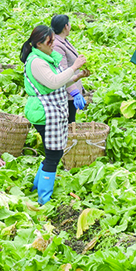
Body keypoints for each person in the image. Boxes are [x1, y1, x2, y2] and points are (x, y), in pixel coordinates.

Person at [21, 25, 90, 205]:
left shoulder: (46, 58)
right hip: (44, 112)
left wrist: (77, 75)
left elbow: (59, 81)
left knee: (53, 152)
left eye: (53, 40)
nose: (52, 44)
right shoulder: (36, 61)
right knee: (54, 153)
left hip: (52, 111)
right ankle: (44, 199)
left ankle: (36, 187)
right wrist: (74, 66)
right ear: (38, 44)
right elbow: (53, 82)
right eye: (49, 42)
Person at [51, 15, 87, 124]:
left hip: (72, 89)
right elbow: (63, 72)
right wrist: (75, 92)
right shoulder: (57, 45)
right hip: (68, 93)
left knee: (71, 122)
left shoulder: (64, 41)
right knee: (69, 124)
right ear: (66, 26)